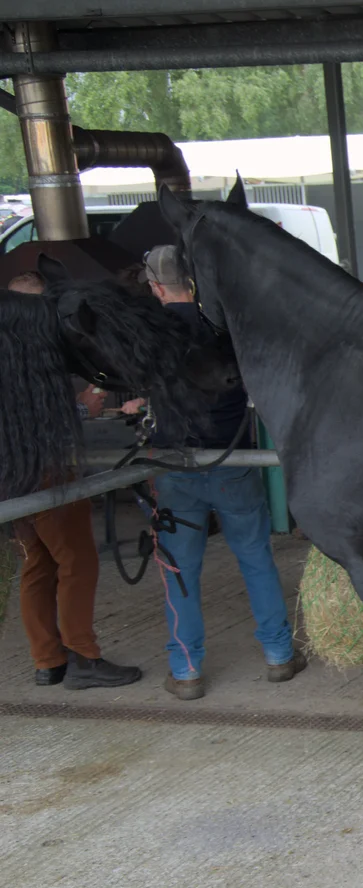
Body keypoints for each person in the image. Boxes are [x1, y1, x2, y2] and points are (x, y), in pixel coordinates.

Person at [128, 246, 303, 698]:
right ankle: (279, 655)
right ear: (194, 281)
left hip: (175, 466)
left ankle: (186, 671)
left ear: (154, 287)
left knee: (179, 568)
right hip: (232, 463)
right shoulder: (223, 330)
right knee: (256, 557)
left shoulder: (151, 336)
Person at [7, 271, 143, 690]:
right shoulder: (33, 359)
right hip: (47, 471)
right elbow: (37, 419)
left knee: (38, 564)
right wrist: (85, 406)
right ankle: (84, 656)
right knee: (78, 562)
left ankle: (48, 660)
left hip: (13, 476)